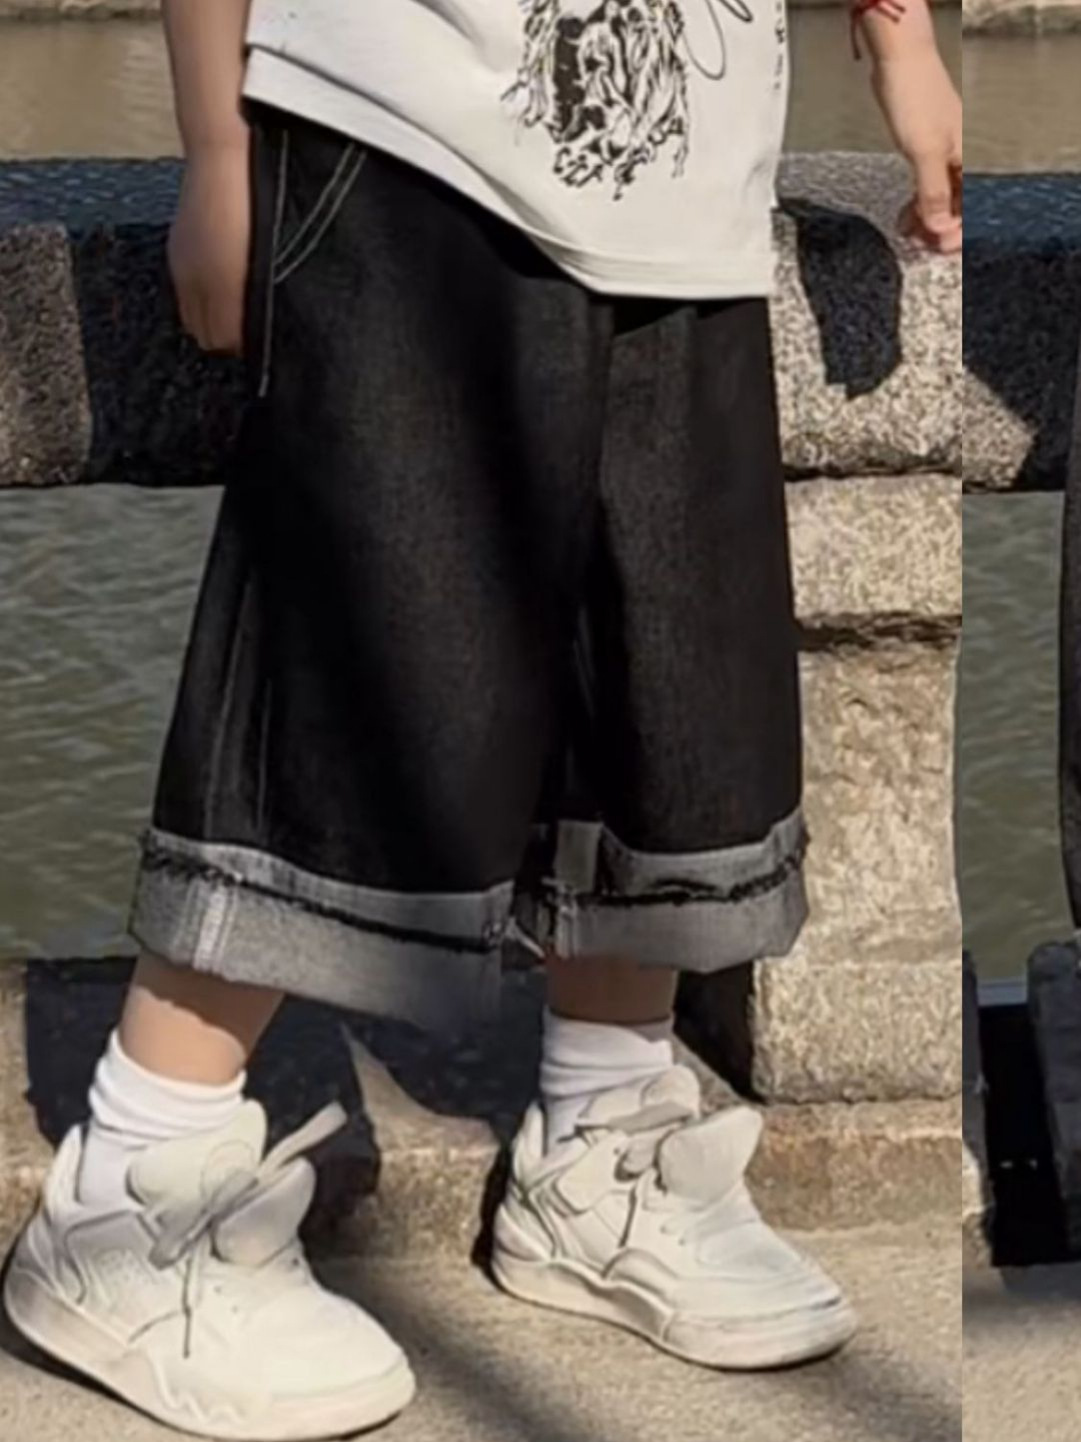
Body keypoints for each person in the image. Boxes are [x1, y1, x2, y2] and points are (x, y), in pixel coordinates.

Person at [4, 1, 961, 1436]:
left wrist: (899, 36)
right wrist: (214, 144)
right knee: (362, 653)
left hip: (695, 169)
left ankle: (602, 1143)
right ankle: (135, 1190)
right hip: (405, 129)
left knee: (662, 663)